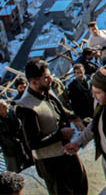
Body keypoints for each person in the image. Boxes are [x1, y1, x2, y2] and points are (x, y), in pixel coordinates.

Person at [15, 59, 88, 195]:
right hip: (51, 162)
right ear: (34, 82)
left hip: (66, 151)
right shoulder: (26, 107)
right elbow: (33, 143)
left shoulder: (46, 90)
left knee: (81, 184)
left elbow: (60, 110)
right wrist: (60, 135)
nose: (50, 80)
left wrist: (74, 118)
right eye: (46, 78)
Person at [0, 101, 31, 173]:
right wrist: (16, 141)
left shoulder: (12, 113)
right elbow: (4, 138)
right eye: (3, 107)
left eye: (6, 105)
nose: (7, 107)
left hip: (22, 147)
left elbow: (20, 127)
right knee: (14, 171)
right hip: (10, 152)